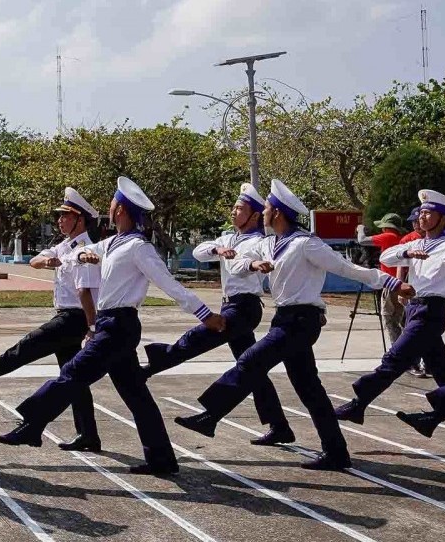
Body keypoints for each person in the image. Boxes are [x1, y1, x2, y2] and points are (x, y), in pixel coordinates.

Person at [175, 179, 414, 471]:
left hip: (301, 321)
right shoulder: (269, 243)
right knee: (308, 388)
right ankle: (336, 452)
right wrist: (250, 265)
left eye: (266, 209)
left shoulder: (305, 244)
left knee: (251, 361)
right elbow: (237, 262)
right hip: (284, 317)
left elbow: (348, 269)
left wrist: (391, 282)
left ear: (277, 213)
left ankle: (210, 415)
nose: (262, 212)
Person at [0, 177, 225, 477]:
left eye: (114, 203)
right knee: (136, 395)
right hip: (110, 324)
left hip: (119, 326)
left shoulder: (138, 247)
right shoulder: (112, 243)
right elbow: (74, 254)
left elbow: (169, 285)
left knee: (73, 373)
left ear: (121, 211)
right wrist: (83, 254)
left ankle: (32, 424)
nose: (110, 206)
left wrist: (205, 314)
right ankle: (162, 459)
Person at [0, 187, 102, 452]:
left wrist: (91, 327)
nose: (60, 220)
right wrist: (50, 261)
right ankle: (87, 434)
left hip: (74, 319)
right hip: (66, 316)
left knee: (25, 348)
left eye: (65, 216)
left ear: (80, 219)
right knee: (73, 379)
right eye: (60, 216)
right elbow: (36, 261)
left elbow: (87, 292)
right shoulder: (65, 246)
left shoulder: (86, 249)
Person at [141, 183, 295, 447]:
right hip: (230, 306)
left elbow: (246, 266)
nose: (234, 212)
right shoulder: (227, 238)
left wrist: (253, 263)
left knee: (199, 338)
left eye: (240, 208)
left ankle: (155, 364)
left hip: (245, 308)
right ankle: (278, 425)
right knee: (251, 369)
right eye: (234, 207)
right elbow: (201, 253)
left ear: (255, 215)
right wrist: (217, 249)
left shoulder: (260, 242)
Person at [334, 191, 445, 442]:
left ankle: (359, 403)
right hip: (414, 309)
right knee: (442, 371)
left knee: (394, 359)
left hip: (430, 312)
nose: (421, 217)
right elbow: (385, 256)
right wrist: (407, 254)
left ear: (443, 218)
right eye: (421, 212)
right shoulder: (416, 244)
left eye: (428, 213)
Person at [357, 213, 410, 363]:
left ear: (386, 227)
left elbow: (362, 241)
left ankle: (398, 352)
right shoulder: (401, 238)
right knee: (401, 319)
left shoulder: (389, 236)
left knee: (389, 318)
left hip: (391, 283)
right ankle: (405, 352)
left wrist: (360, 228)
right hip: (402, 282)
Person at [398, 208, 429, 377]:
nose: (416, 224)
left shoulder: (434, 239)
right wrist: (400, 287)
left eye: (417, 220)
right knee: (411, 326)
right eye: (414, 221)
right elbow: (401, 266)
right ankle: (413, 362)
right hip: (412, 290)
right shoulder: (408, 240)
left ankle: (427, 362)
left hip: (429, 291)